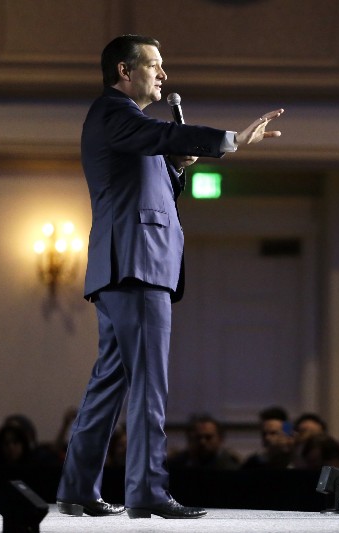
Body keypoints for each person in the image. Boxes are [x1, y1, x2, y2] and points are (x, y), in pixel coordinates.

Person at [55, 34, 284, 521]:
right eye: (154, 65)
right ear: (125, 70)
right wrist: (232, 141)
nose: (163, 75)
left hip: (125, 266)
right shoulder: (114, 113)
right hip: (136, 265)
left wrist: (176, 168)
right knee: (148, 386)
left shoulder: (126, 124)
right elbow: (159, 139)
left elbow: (151, 179)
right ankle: (147, 492)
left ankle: (77, 489)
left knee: (108, 386)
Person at [167, 413, 240, 470]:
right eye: (198, 437)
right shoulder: (175, 465)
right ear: (189, 439)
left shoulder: (231, 467)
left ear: (220, 439)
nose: (202, 442)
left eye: (208, 437)